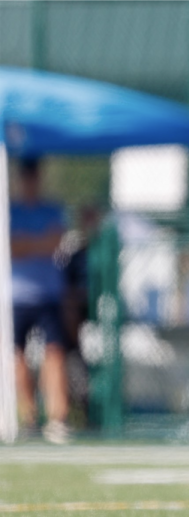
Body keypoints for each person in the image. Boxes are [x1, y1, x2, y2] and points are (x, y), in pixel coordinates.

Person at [9, 158, 71, 444]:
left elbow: (55, 243)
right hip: (17, 296)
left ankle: (57, 418)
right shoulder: (10, 210)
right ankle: (28, 417)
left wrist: (28, 243)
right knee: (15, 355)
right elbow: (11, 246)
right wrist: (37, 243)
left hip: (48, 294)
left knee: (54, 353)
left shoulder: (53, 209)